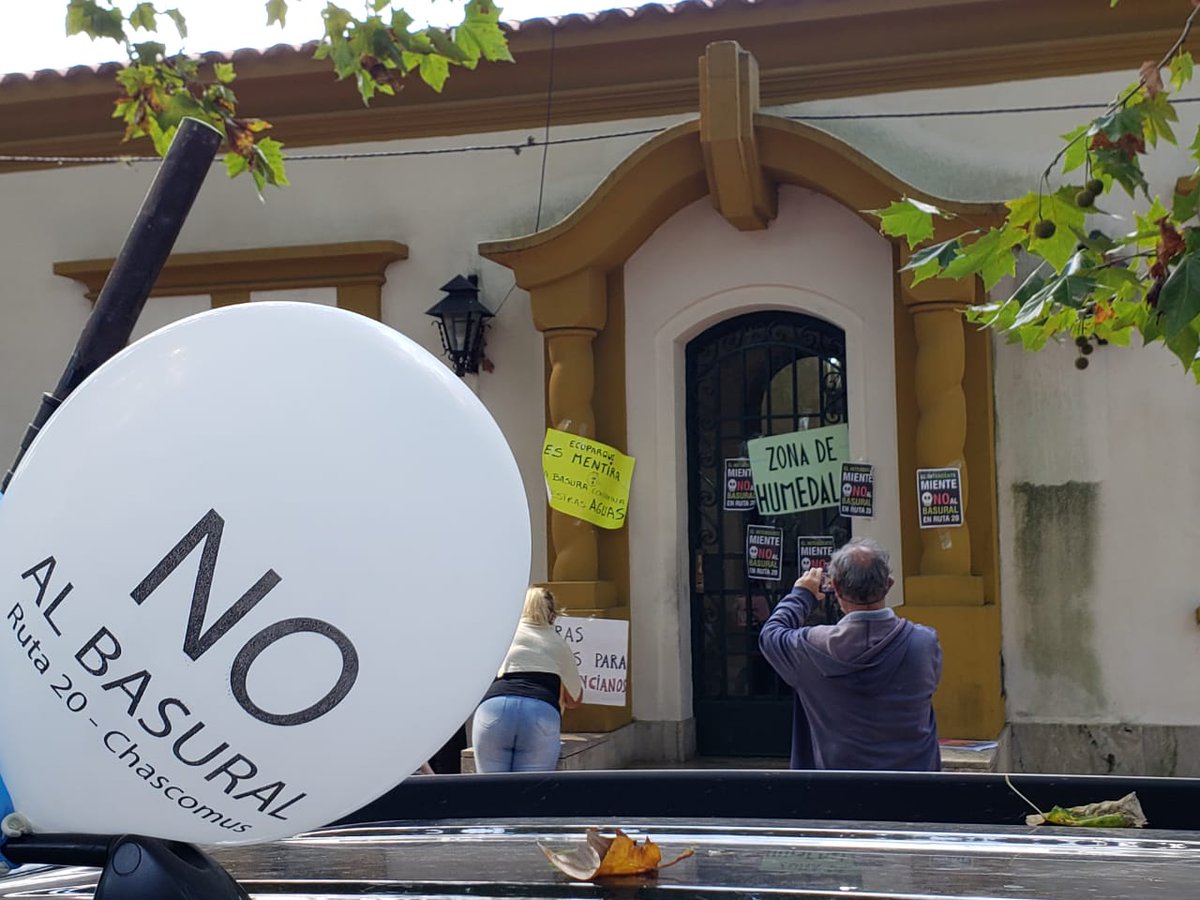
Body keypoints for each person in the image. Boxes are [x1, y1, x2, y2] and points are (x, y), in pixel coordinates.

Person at [758, 537, 942, 771]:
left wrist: (802, 595)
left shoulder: (810, 649)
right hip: (912, 796)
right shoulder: (924, 644)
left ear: (835, 588)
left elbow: (770, 634)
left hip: (835, 798)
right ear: (888, 584)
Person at [471, 586, 584, 773]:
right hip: (540, 711)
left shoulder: (503, 634)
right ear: (552, 613)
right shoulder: (558, 643)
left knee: (489, 793)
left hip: (494, 708)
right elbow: (575, 699)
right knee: (531, 794)